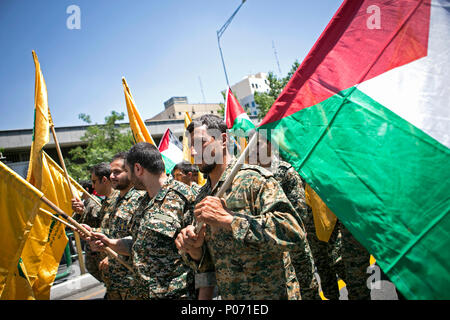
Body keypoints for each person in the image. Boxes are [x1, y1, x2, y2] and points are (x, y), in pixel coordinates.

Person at [175, 114, 307, 300]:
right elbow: (210, 266)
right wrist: (195, 250)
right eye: (190, 147)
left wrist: (230, 220)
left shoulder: (254, 180)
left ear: (222, 140)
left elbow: (293, 231)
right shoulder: (201, 198)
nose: (194, 153)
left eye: (200, 143)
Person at [86, 143, 196, 299]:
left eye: (128, 172)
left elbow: (204, 258)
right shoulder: (143, 202)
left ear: (138, 169)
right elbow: (137, 245)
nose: (129, 178)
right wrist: (109, 242)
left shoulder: (185, 197)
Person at [250, 132, 321, 300]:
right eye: (252, 145)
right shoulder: (251, 175)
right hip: (269, 248)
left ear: (269, 145)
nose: (254, 150)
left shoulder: (285, 172)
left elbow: (300, 213)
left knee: (307, 290)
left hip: (293, 246)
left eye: (257, 144)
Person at [95, 152, 146, 300]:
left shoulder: (141, 199)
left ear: (130, 172)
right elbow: (113, 232)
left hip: (132, 281)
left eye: (117, 172)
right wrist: (93, 233)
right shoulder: (114, 199)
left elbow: (140, 241)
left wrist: (112, 249)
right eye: (111, 172)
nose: (112, 176)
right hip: (114, 280)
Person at [72, 162, 116, 283]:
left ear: (104, 180)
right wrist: (81, 212)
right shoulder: (107, 202)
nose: (92, 185)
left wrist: (112, 257)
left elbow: (123, 234)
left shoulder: (120, 201)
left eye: (94, 181)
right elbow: (98, 222)